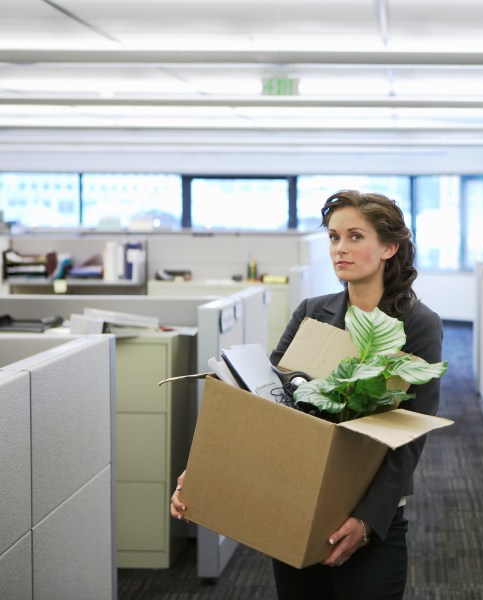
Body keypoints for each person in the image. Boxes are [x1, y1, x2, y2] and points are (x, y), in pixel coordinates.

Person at [170, 189, 443, 599]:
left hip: (371, 512)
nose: (340, 249)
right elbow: (265, 406)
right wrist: (208, 469)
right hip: (297, 502)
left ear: (389, 246)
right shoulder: (312, 312)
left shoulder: (417, 324)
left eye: (354, 237)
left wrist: (367, 520)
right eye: (333, 237)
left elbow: (409, 434)